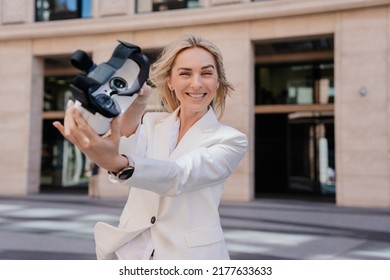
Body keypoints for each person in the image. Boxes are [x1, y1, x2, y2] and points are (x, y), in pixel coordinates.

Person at [53, 34, 248, 260]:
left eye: (206, 73)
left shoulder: (231, 139)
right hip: (132, 252)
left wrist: (115, 164)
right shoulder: (153, 122)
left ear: (217, 81)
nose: (196, 83)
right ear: (170, 82)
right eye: (185, 73)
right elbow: (127, 149)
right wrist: (138, 101)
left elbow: (180, 176)